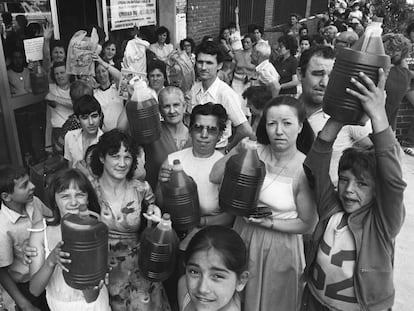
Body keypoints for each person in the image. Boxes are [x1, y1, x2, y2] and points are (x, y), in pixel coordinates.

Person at [300, 69, 406, 311]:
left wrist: (378, 114)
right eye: (344, 180)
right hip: (315, 303)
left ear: (378, 191)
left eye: (362, 184)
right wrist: (340, 116)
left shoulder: (382, 223)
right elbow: (315, 166)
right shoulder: (331, 208)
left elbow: (392, 180)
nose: (348, 190)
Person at [210, 96, 317, 311]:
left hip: (280, 247)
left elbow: (307, 224)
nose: (279, 131)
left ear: (300, 126)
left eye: (287, 123)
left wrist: (270, 224)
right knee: (237, 300)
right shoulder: (254, 151)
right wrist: (238, 150)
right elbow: (215, 175)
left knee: (273, 303)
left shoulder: (304, 168)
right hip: (243, 236)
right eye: (272, 123)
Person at [89, 129, 171, 311]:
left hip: (138, 267)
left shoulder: (141, 188)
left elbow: (152, 211)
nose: (122, 163)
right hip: (104, 268)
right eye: (115, 156)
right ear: (102, 158)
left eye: (127, 157)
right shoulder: (89, 191)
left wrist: (154, 214)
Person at [28, 169, 110, 311]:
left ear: (87, 199)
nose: (73, 202)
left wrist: (86, 260)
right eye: (65, 196)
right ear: (54, 199)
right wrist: (51, 260)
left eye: (79, 195)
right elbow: (34, 290)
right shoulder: (41, 231)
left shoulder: (96, 230)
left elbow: (91, 297)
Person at [298, 45, 372, 183]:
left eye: (332, 76)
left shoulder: (348, 115)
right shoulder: (285, 109)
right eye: (317, 74)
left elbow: (375, 153)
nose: (324, 83)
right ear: (299, 74)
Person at [158, 103, 234, 229]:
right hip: (176, 233)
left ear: (220, 135)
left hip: (211, 236)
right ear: (190, 130)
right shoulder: (172, 160)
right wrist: (162, 184)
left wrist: (200, 222)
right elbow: (160, 204)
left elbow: (230, 216)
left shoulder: (225, 166)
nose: (204, 135)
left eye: (211, 130)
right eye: (198, 128)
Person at [188, 40, 254, 152]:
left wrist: (228, 148)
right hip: (194, 150)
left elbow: (245, 130)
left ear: (219, 65)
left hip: (217, 151)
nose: (203, 67)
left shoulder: (226, 94)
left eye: (209, 63)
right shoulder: (194, 89)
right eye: (200, 62)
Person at [0, 165, 50, 311]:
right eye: (24, 186)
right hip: (25, 286)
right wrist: (24, 303)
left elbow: (52, 221)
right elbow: (2, 271)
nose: (33, 186)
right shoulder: (3, 228)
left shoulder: (34, 202)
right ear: (6, 196)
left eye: (30, 181)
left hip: (47, 275)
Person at [177, 226, 249, 311]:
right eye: (194, 272)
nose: (202, 289)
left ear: (241, 281)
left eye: (218, 276)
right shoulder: (183, 286)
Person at [144, 86, 192, 190]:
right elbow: (122, 129)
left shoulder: (195, 137)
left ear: (184, 106)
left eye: (176, 105)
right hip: (156, 198)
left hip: (189, 200)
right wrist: (131, 97)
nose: (171, 111)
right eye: (166, 106)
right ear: (160, 110)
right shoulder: (153, 132)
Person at [64, 95, 104, 169]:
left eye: (94, 116)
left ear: (100, 116)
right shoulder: (70, 136)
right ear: (77, 119)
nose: (91, 122)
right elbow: (70, 166)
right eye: (85, 118)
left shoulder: (105, 142)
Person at [382, 33, 412, 131]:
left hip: (365, 126)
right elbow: (404, 65)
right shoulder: (404, 75)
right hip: (389, 128)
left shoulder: (375, 70)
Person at [45, 61, 73, 154]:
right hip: (59, 131)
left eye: (62, 72)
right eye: (56, 74)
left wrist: (55, 98)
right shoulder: (50, 88)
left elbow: (77, 104)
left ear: (68, 73)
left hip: (75, 129)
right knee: (63, 163)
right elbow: (30, 87)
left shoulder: (75, 87)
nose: (59, 76)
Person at [93, 55, 123, 132]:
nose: (101, 74)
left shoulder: (116, 88)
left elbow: (122, 77)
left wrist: (102, 62)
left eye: (103, 71)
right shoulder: (94, 93)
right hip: (105, 134)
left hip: (122, 131)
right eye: (98, 72)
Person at [232, 34, 256, 117]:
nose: (245, 44)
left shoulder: (255, 55)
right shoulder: (238, 54)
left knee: (247, 106)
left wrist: (251, 76)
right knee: (236, 103)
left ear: (253, 43)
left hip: (249, 83)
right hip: (237, 81)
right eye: (244, 42)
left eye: (247, 42)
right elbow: (232, 68)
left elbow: (258, 70)